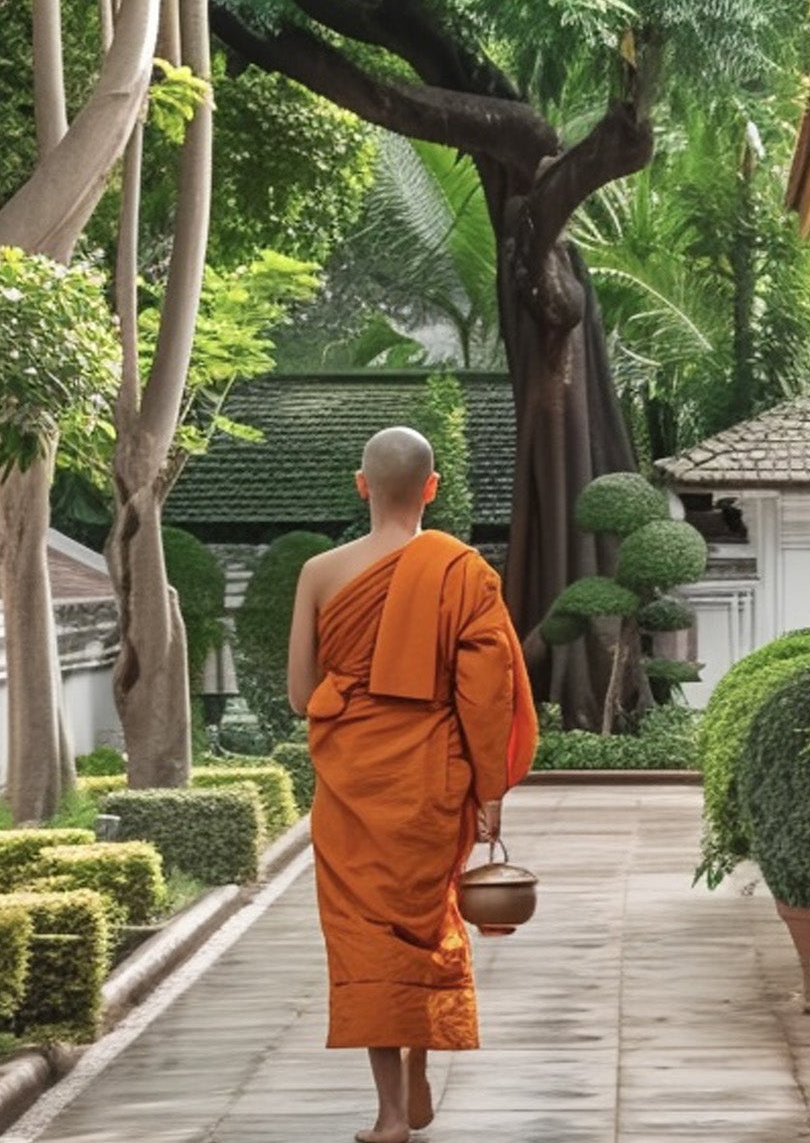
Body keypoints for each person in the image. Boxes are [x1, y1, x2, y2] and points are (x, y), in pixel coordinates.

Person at [287, 427, 536, 1143]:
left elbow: (304, 695)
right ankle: (422, 1060)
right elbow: (486, 695)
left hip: (350, 782)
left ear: (361, 485)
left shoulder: (320, 572)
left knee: (365, 937)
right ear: (431, 488)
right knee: (425, 924)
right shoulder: (462, 571)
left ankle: (391, 1112)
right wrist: (490, 790)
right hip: (432, 776)